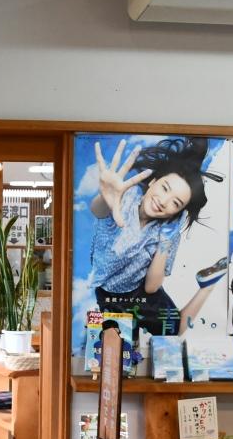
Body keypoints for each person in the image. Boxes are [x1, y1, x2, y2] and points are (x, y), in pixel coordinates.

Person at [89, 137, 224, 335]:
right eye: (165, 188)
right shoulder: (126, 197)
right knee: (118, 339)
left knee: (174, 329)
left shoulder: (168, 231)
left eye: (175, 203)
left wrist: (165, 243)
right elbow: (98, 210)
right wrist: (105, 195)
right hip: (109, 294)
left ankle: (207, 286)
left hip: (141, 292)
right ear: (153, 181)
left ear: (177, 212)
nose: (164, 201)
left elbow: (151, 287)